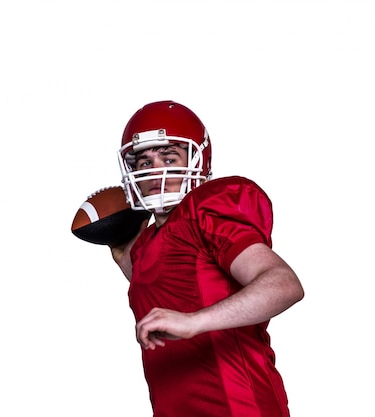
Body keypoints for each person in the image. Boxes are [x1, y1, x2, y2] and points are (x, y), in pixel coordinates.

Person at [110, 100, 304, 417]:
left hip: (237, 407)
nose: (156, 170)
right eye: (144, 163)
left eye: (168, 157)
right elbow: (171, 284)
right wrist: (121, 253)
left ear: (197, 160)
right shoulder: (146, 242)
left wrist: (193, 322)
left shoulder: (208, 209)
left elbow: (283, 285)